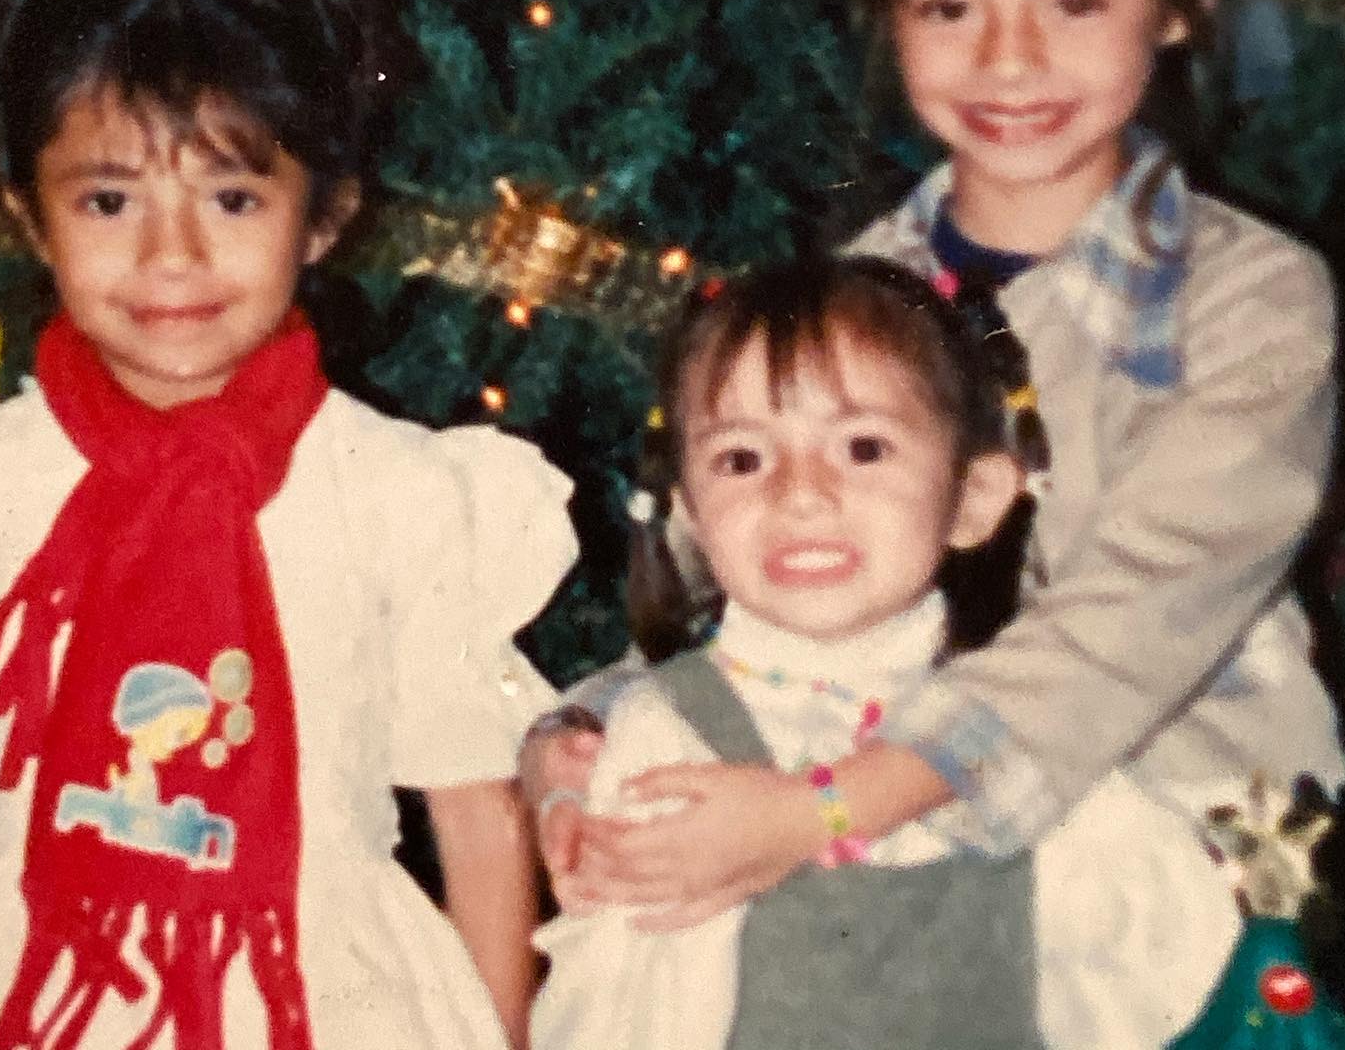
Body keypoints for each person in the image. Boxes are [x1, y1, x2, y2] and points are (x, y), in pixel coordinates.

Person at [527, 0, 1345, 971]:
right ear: (889, 12)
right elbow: (723, 570)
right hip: (873, 844)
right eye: (951, 5)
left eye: (1074, 1)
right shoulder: (857, 293)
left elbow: (1128, 628)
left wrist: (831, 810)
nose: (1008, 59)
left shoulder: (1251, 304)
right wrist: (580, 732)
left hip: (1187, 856)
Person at [0, 0, 576, 1050]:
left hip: (322, 996)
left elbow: (475, 814)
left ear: (321, 217)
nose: (173, 256)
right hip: (31, 987)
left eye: (232, 199)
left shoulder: (404, 496)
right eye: (110, 201)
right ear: (32, 214)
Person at [532, 257, 1265, 1050]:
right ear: (693, 517)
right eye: (742, 459)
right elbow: (624, 1015)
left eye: (864, 447)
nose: (800, 492)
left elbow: (1158, 970)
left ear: (974, 499)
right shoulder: (665, 738)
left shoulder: (1019, 733)